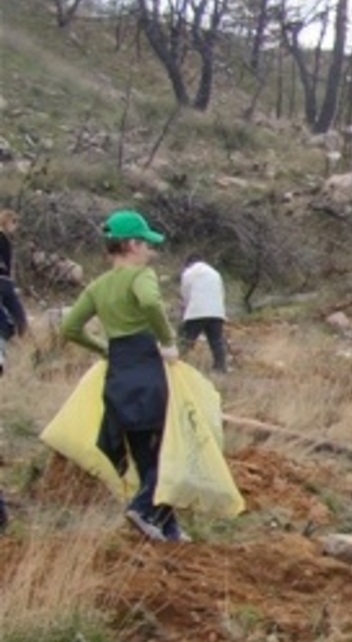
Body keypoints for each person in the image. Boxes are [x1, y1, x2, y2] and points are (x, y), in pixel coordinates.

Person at [61, 209, 188, 543]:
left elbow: (70, 327)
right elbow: (149, 301)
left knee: (145, 453)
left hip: (118, 371)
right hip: (147, 367)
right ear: (132, 245)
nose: (150, 250)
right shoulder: (140, 276)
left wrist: (102, 348)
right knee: (169, 448)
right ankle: (144, 509)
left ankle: (168, 527)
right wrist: (167, 340)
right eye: (146, 244)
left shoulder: (98, 287)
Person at [179, 253, 229, 372]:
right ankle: (220, 367)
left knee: (186, 341)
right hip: (216, 312)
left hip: (196, 311)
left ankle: (180, 365)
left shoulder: (188, 273)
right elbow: (221, 293)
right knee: (216, 341)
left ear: (188, 263)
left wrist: (184, 310)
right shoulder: (215, 273)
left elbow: (185, 294)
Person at [0, 209, 30, 376]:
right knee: (10, 320)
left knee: (15, 317)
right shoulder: (1, 238)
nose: (15, 227)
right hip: (2, 282)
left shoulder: (5, 239)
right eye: (14, 222)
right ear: (7, 222)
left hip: (5, 282)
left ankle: (17, 345)